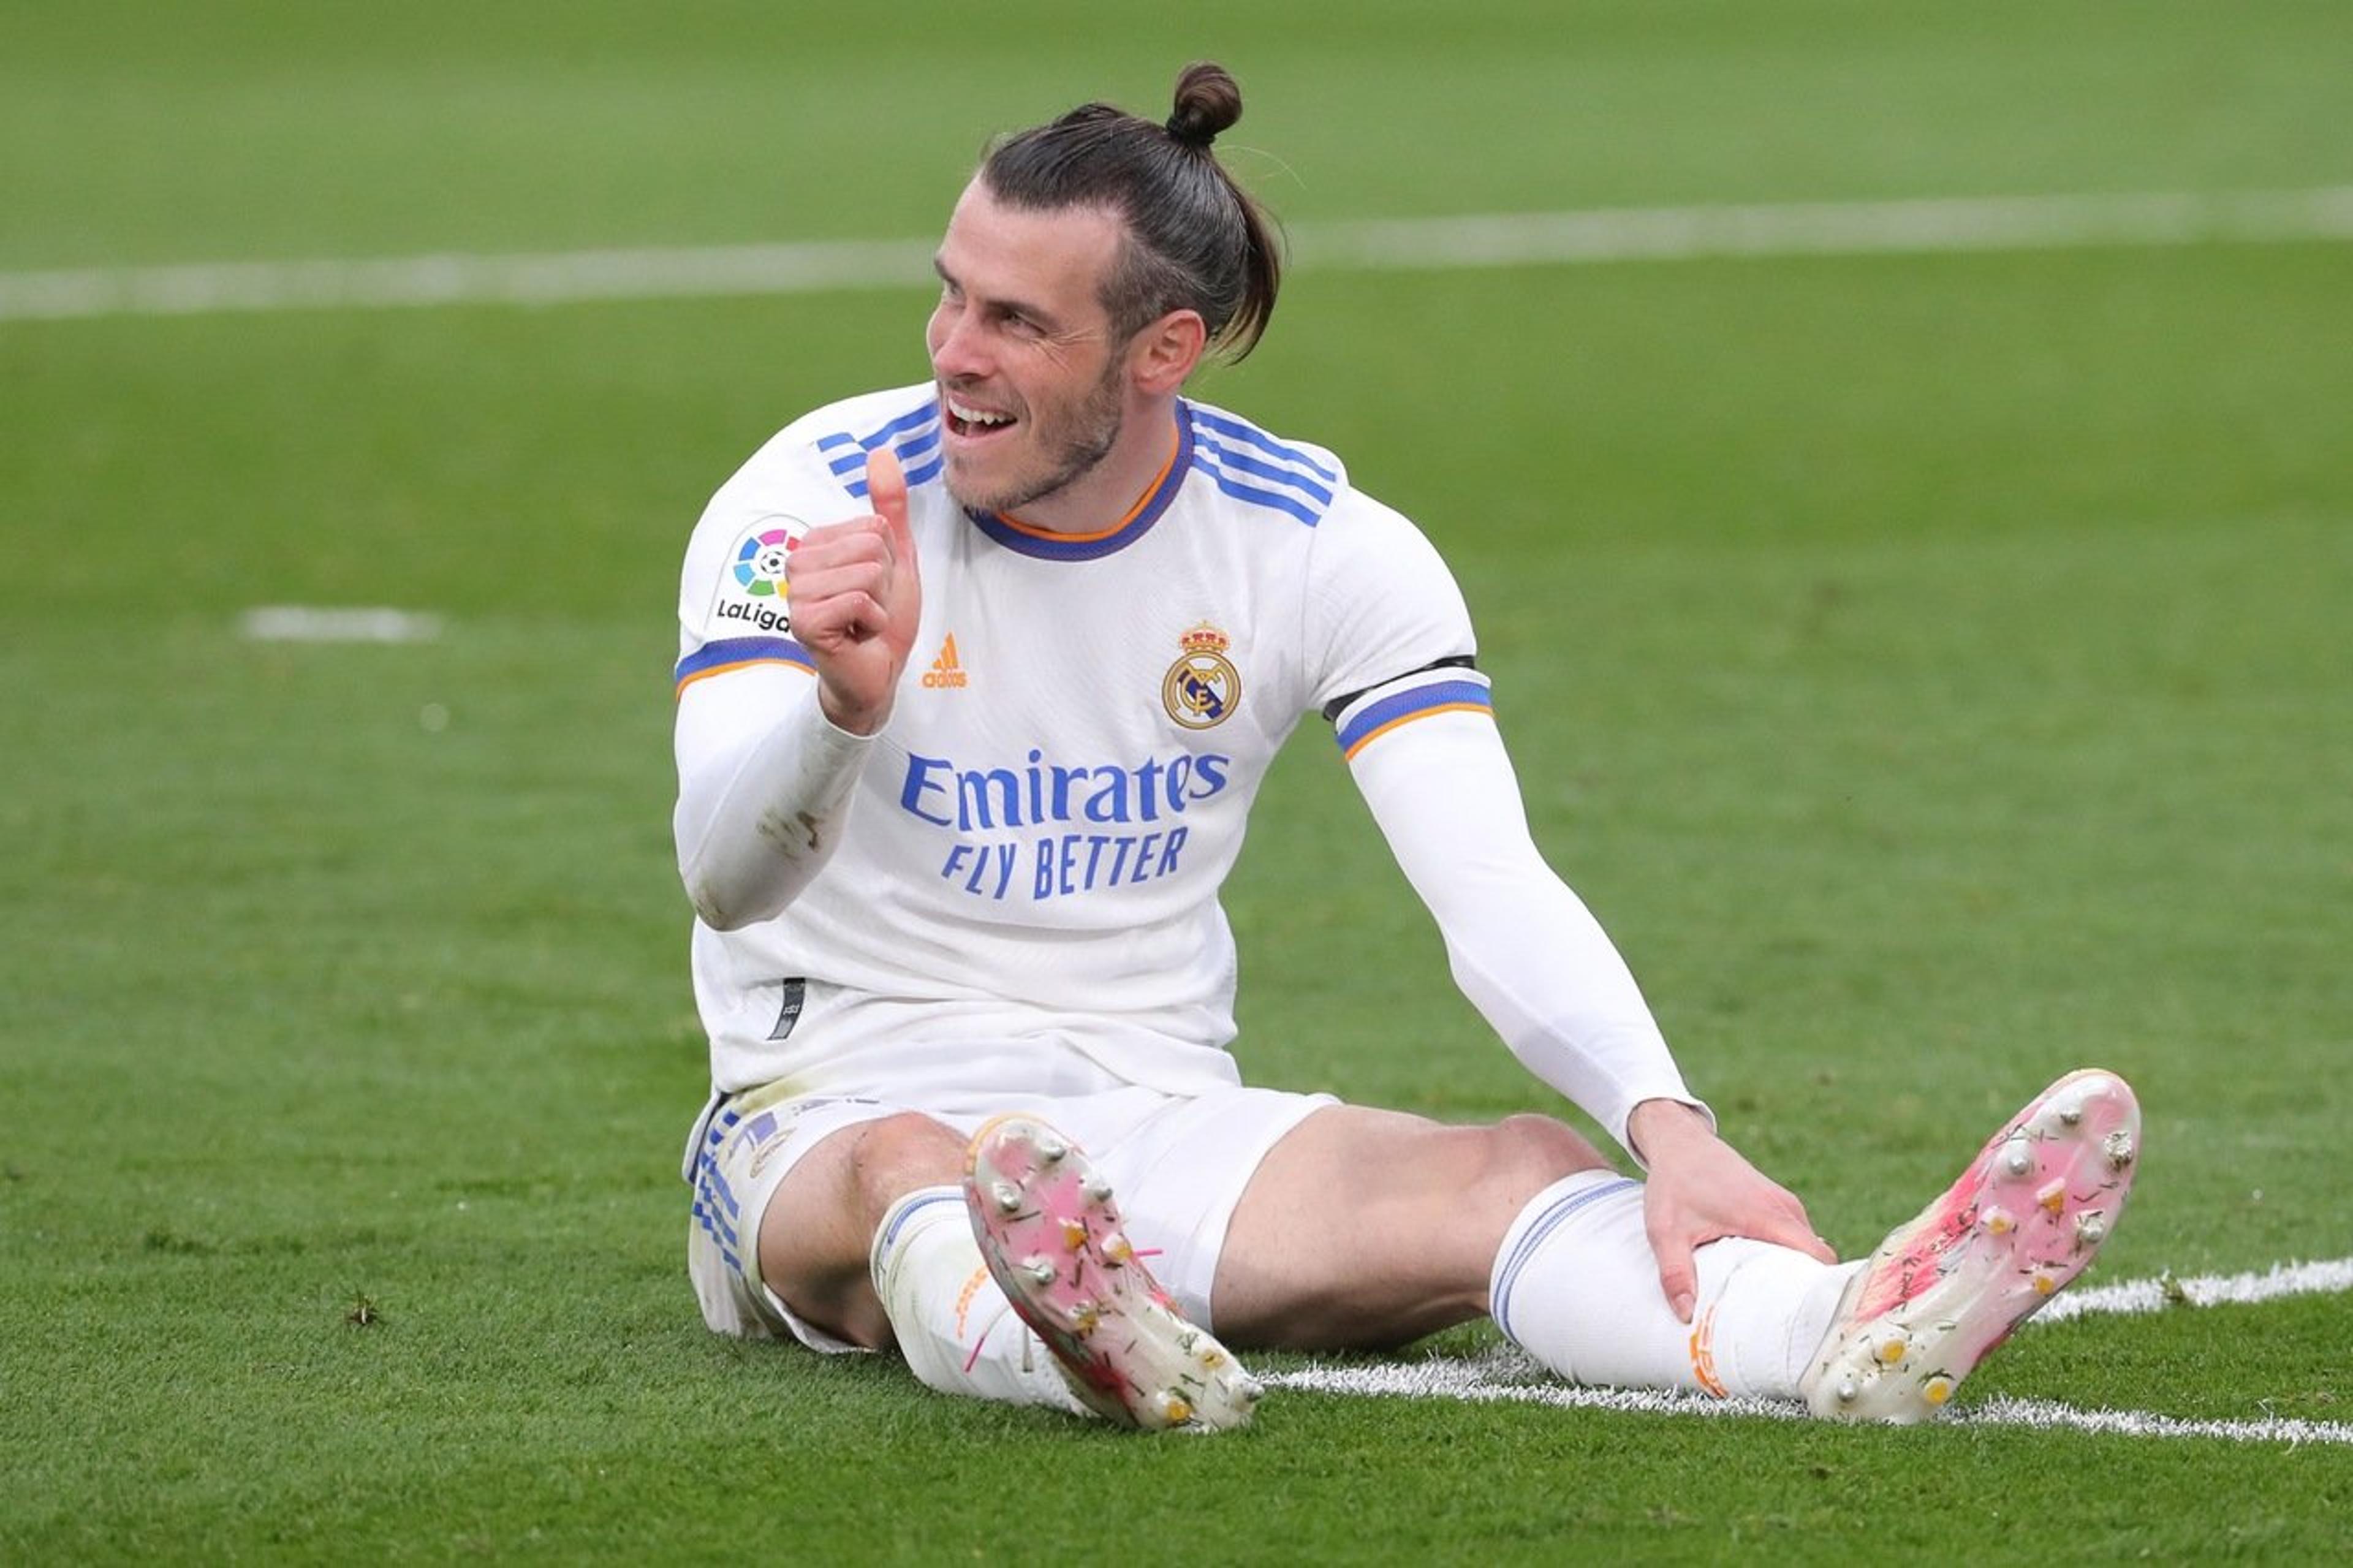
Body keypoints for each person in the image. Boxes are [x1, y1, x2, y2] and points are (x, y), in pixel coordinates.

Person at [671, 62, 2140, 1430]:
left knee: (1524, 1168)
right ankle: (1070, 1355)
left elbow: (1486, 878)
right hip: (828, 1110)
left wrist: (1666, 1119)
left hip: (1145, 1116)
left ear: (1164, 350)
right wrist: (839, 715)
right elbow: (723, 880)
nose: (953, 357)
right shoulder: (809, 506)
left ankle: (1831, 1331)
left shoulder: (1314, 545)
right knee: (914, 1175)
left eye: (1017, 323)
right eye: (951, 297)